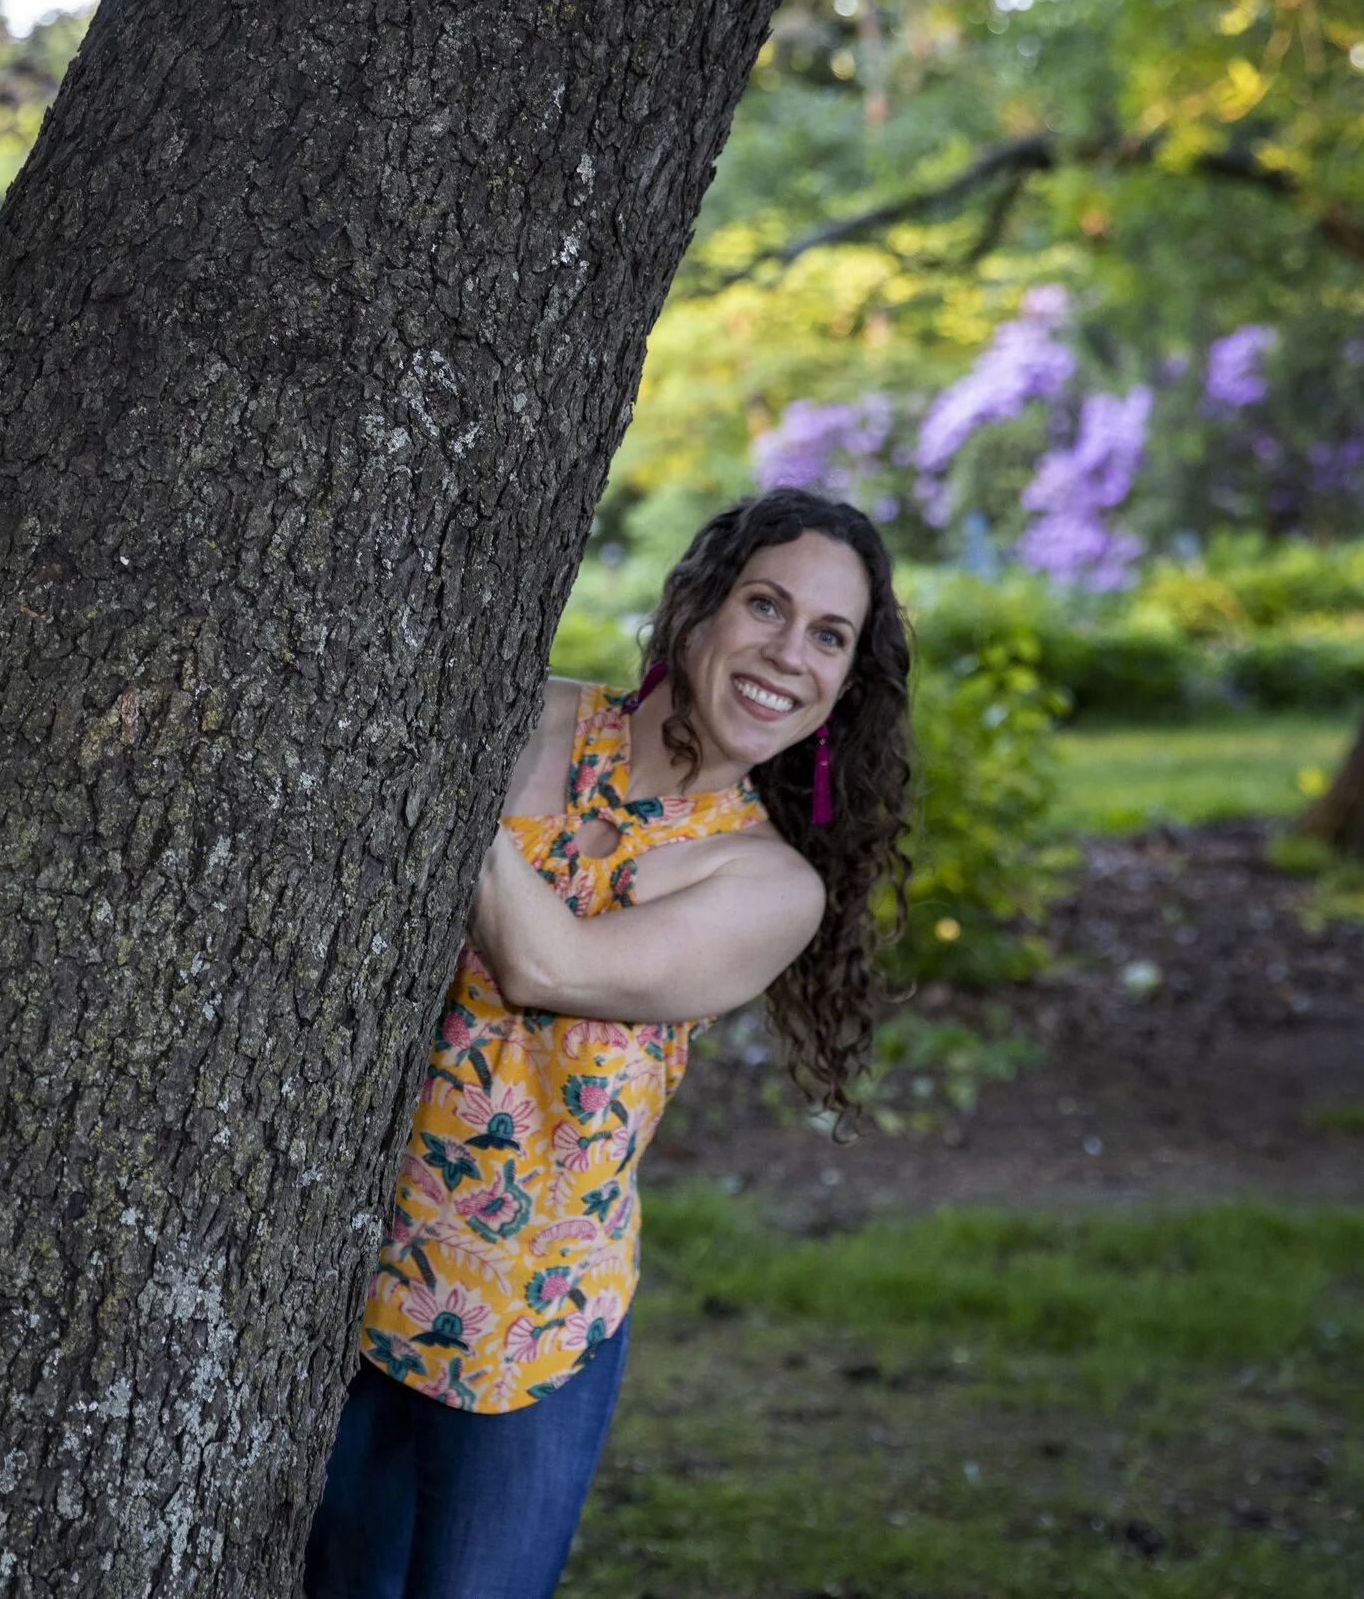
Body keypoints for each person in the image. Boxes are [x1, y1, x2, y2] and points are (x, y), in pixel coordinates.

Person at [304, 490, 914, 1599]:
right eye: (765, 605)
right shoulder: (532, 719)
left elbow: (552, 967)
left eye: (829, 635)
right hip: (345, 1275)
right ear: (696, 609)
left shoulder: (769, 886)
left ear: (846, 685)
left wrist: (450, 777)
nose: (788, 652)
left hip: (534, 1322)